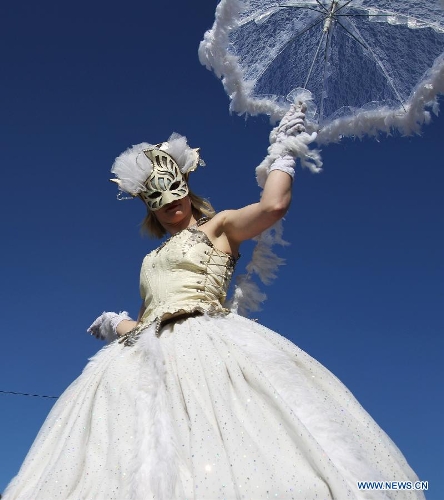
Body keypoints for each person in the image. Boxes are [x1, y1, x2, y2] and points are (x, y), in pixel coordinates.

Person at [4, 116, 425, 499]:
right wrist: (117, 323)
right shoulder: (150, 258)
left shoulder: (219, 227)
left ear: (187, 184)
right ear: (147, 205)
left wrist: (283, 153)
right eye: (156, 197)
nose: (170, 202)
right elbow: (152, 319)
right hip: (143, 362)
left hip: (207, 343)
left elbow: (272, 207)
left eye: (174, 190)